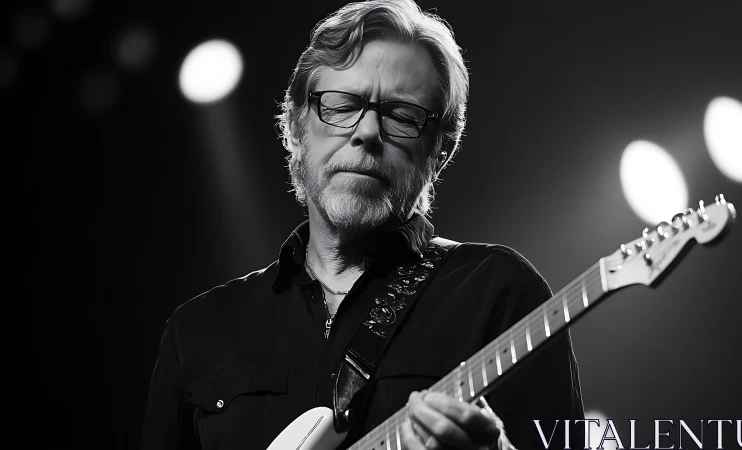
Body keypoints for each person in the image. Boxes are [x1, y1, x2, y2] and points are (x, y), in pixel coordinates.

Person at [140, 0, 584, 448]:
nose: (368, 131)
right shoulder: (199, 329)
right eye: (342, 104)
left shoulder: (497, 292)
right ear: (295, 126)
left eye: (402, 115)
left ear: (439, 152)